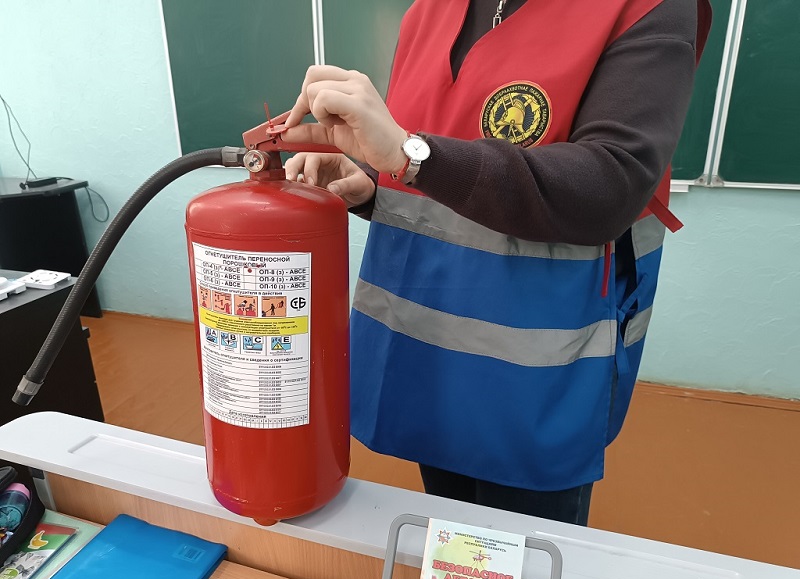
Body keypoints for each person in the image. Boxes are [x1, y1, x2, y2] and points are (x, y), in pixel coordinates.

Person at [282, 0, 712, 526]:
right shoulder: (429, 12)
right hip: (426, 359)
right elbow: (432, 161)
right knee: (450, 542)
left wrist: (409, 156)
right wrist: (372, 183)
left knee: (518, 555)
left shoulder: (645, 8)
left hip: (533, 381)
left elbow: (609, 184)